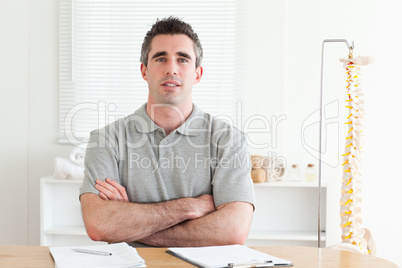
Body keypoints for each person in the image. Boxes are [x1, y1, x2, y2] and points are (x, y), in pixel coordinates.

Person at [79, 16, 254, 247]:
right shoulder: (106, 140)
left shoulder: (229, 140)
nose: (171, 69)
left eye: (182, 59)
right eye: (161, 58)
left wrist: (129, 222)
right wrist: (190, 207)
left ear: (197, 74)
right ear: (144, 71)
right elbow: (99, 224)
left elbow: (233, 231)